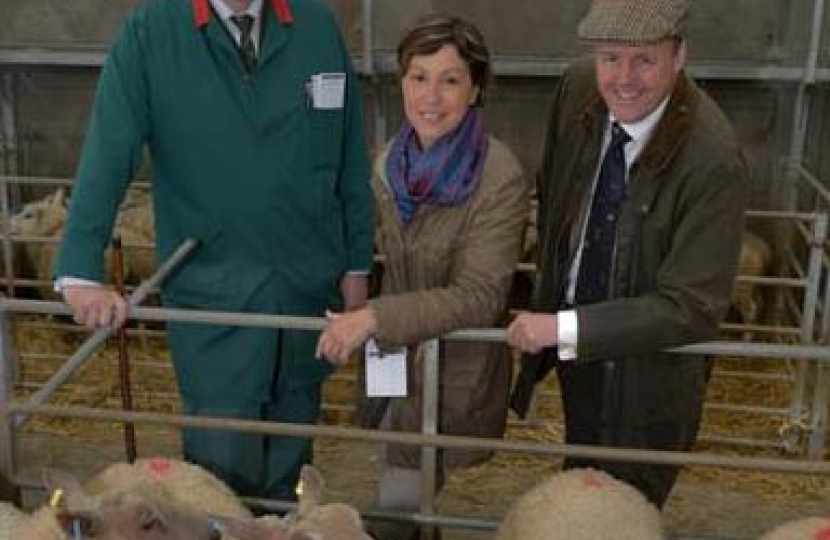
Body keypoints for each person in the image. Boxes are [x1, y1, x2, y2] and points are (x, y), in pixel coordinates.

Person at [53, 0, 373, 502]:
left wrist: (357, 261)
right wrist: (79, 269)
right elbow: (109, 151)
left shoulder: (315, 27)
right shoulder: (152, 34)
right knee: (220, 475)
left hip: (305, 290)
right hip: (214, 294)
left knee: (292, 457)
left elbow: (350, 154)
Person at [507, 0, 748, 508]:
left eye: (644, 59)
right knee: (580, 486)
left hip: (651, 376)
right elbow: (554, 196)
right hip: (580, 358)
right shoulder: (576, 92)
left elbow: (691, 306)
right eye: (610, 57)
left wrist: (564, 327)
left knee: (627, 507)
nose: (624, 78)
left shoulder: (713, 159)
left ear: (679, 56)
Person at [315, 14, 530, 540]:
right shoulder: (388, 164)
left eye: (450, 80)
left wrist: (373, 316)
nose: (430, 96)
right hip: (393, 363)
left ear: (475, 89)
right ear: (401, 81)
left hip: (451, 372)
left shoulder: (499, 178)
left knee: (395, 506)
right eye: (418, 77)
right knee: (411, 503)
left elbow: (481, 296)